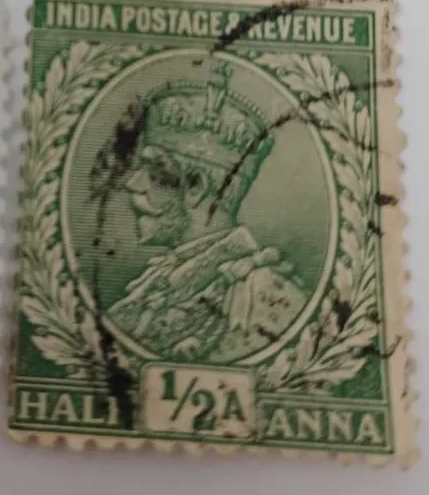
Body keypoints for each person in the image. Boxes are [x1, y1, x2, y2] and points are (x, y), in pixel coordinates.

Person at [102, 59, 307, 363]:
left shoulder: (264, 296)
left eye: (153, 170)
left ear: (195, 187)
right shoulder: (156, 280)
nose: (133, 183)